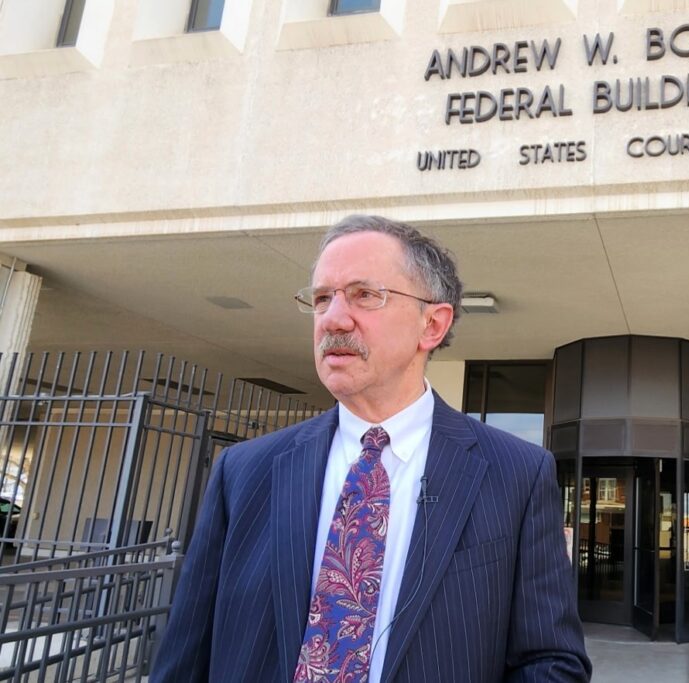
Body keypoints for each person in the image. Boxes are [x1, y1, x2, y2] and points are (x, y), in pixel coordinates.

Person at [150, 215, 591, 683]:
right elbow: (184, 658)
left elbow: (551, 663)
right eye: (322, 299)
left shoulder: (516, 474)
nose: (334, 319)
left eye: (364, 295)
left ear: (432, 325)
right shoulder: (244, 471)